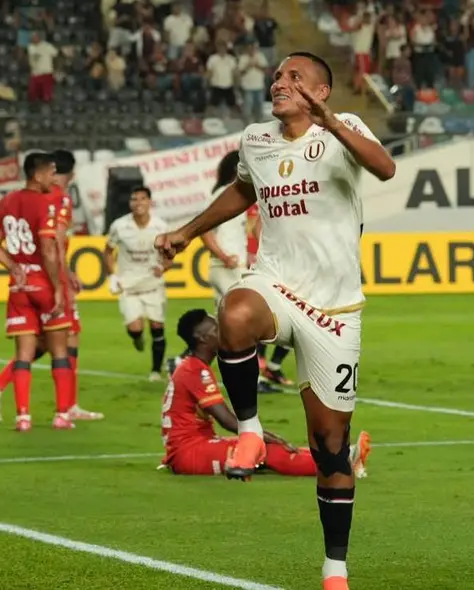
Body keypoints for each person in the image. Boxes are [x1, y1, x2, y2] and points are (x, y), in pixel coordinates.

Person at [154, 51, 395, 590]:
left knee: (331, 444)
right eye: (278, 76)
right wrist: (188, 231)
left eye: (294, 77)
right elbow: (244, 191)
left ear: (322, 90)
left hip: (335, 308)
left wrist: (332, 123)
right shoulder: (255, 138)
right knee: (234, 313)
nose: (278, 82)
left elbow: (385, 167)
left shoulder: (344, 127)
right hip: (276, 284)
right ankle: (250, 431)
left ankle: (335, 568)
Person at [162, 309, 371, 477]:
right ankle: (342, 463)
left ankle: (340, 455)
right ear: (202, 339)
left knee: (258, 446)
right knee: (262, 450)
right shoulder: (195, 371)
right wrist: (270, 437)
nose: (225, 332)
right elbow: (228, 421)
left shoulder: (193, 367)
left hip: (195, 446)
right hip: (189, 452)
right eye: (217, 329)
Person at [0, 151, 103, 423]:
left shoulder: (13, 199)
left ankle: (27, 410)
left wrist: (13, 266)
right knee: (63, 340)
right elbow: (54, 243)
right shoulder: (57, 199)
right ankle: (62, 407)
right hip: (48, 279)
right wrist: (63, 277)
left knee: (50, 341)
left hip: (24, 282)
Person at [195, 150, 287, 391]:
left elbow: (251, 227)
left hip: (232, 266)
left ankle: (189, 363)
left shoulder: (236, 197)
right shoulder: (222, 195)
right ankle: (252, 378)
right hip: (225, 267)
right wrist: (224, 255)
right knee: (246, 321)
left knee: (224, 325)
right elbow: (204, 230)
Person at [104, 186, 170, 382]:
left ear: (150, 202)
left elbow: (170, 253)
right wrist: (112, 276)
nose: (138, 203)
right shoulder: (119, 226)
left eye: (142, 199)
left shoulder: (161, 226)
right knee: (135, 328)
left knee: (157, 325)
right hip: (129, 286)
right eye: (134, 199)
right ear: (130, 203)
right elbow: (108, 251)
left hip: (153, 284)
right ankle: (137, 338)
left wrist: (164, 267)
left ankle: (156, 371)